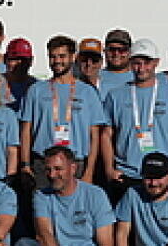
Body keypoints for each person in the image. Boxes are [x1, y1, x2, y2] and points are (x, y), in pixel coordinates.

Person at [98, 39, 168, 197]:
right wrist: (109, 169)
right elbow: (106, 135)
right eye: (137, 63)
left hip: (161, 175)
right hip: (126, 174)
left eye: (147, 62)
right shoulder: (115, 95)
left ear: (156, 62)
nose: (141, 68)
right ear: (130, 63)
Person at [19, 35, 107, 186]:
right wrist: (25, 164)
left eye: (62, 56)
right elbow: (26, 129)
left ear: (72, 57)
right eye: (52, 57)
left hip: (76, 164)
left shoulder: (88, 92)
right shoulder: (36, 90)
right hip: (43, 163)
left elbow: (94, 135)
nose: (57, 61)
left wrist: (89, 171)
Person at [2, 37, 36, 110]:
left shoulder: (37, 87)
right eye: (14, 59)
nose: (19, 63)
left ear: (31, 61)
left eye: (24, 59)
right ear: (5, 59)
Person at [99, 28, 134, 94]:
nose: (116, 53)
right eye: (112, 49)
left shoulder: (140, 77)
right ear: (104, 51)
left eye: (122, 50)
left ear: (130, 52)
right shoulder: (94, 77)